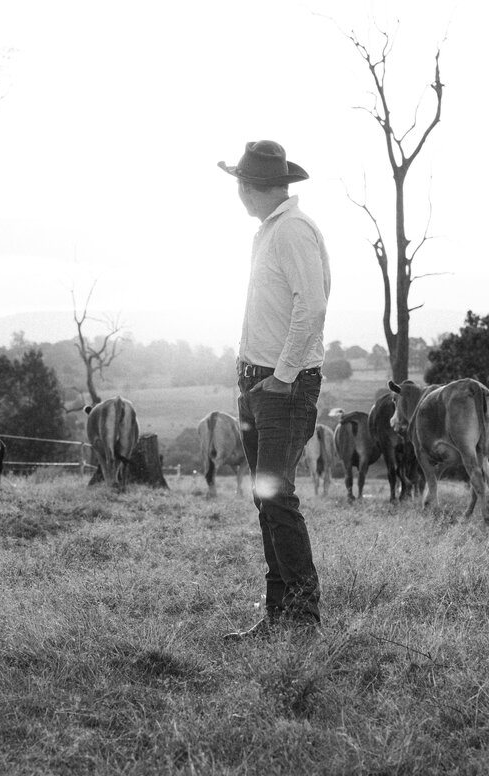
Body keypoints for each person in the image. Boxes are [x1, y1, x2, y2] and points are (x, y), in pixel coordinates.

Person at [217, 140, 331, 640]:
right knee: (266, 498)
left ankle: (303, 620)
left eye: (240, 184)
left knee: (278, 497)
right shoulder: (268, 232)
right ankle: (278, 615)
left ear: (252, 188)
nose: (238, 193)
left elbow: (313, 307)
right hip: (255, 381)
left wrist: (282, 375)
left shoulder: (294, 232)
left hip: (284, 386)